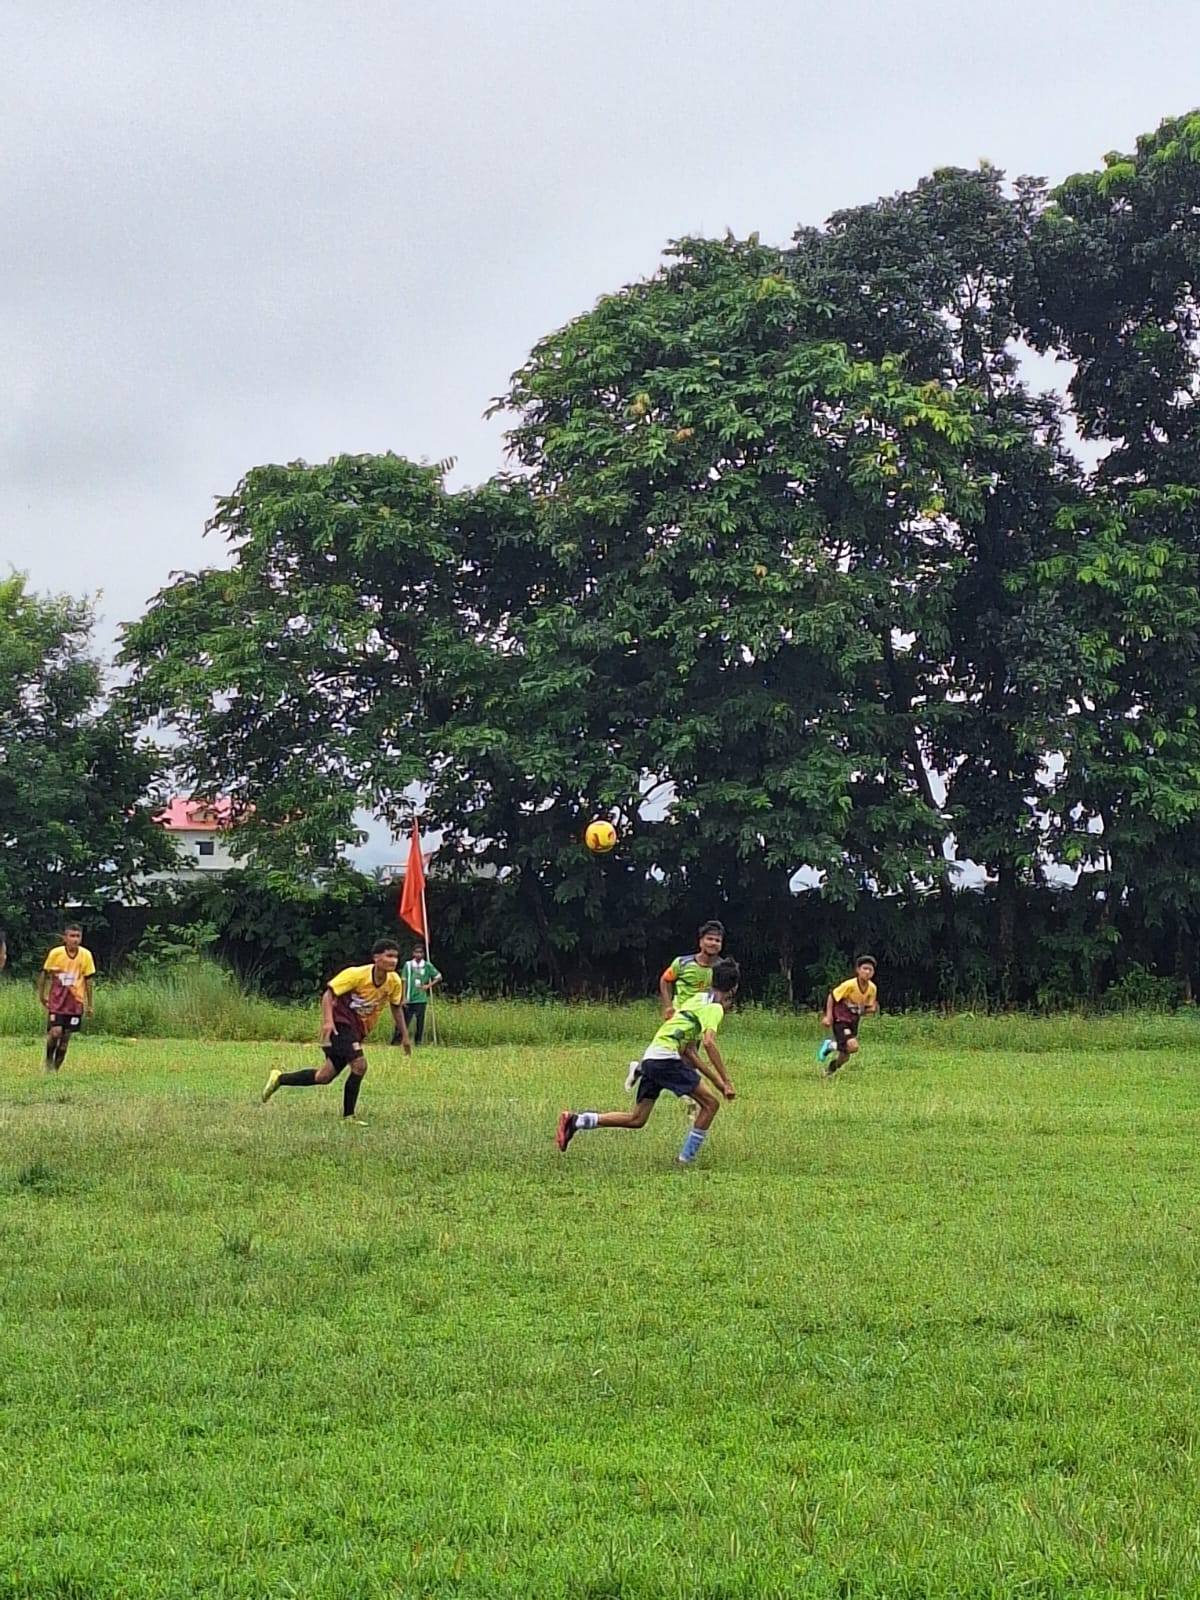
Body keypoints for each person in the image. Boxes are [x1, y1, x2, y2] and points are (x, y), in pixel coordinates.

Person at [557, 958, 739, 1166]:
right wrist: (727, 1080)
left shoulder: (696, 999)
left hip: (653, 1056)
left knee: (637, 1119)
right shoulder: (715, 1009)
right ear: (733, 988)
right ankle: (685, 1160)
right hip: (666, 1059)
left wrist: (718, 1083)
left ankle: (577, 1120)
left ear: (711, 979)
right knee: (711, 1104)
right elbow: (708, 1043)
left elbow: (688, 1051)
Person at [261, 939, 411, 1123]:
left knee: (324, 1076)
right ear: (376, 957)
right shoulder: (356, 975)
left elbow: (396, 1007)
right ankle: (349, 1117)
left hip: (357, 1030)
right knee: (360, 1065)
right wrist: (328, 1022)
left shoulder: (394, 981)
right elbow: (328, 994)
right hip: (340, 1025)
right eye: (389, 955)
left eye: (396, 956)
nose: (393, 960)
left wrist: (404, 1035)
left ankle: (279, 1078)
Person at [37, 923, 96, 1072]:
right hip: (57, 1001)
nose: (75, 939)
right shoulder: (56, 954)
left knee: (65, 1040)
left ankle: (55, 1070)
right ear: (65, 938)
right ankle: (48, 1061)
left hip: (75, 1003)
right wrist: (42, 994)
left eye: (77, 936)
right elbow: (44, 974)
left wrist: (89, 1004)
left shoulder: (86, 955)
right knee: (55, 1032)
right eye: (72, 936)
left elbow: (88, 980)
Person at [816, 955, 878, 1075]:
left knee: (847, 1054)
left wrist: (868, 1009)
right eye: (864, 968)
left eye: (870, 969)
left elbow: (869, 1007)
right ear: (858, 970)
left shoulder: (872, 988)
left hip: (853, 1020)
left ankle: (829, 1070)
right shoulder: (849, 985)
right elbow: (832, 996)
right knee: (852, 1044)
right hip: (841, 1018)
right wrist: (829, 1016)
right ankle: (830, 1045)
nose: (867, 972)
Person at [658, 920, 726, 1017]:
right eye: (709, 939)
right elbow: (665, 980)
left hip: (706, 1017)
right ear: (701, 942)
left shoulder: (724, 968)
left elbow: (731, 987)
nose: (713, 943)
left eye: (717, 940)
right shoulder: (682, 962)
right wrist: (668, 1006)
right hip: (680, 1014)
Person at [392, 941, 441, 1047]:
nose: (418, 954)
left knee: (420, 1022)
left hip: (421, 999)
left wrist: (428, 986)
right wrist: (403, 997)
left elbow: (438, 977)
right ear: (413, 953)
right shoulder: (408, 965)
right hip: (409, 998)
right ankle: (396, 1042)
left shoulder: (427, 966)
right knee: (403, 1021)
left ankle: (418, 1042)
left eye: (421, 952)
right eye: (416, 952)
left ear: (423, 954)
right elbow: (403, 980)